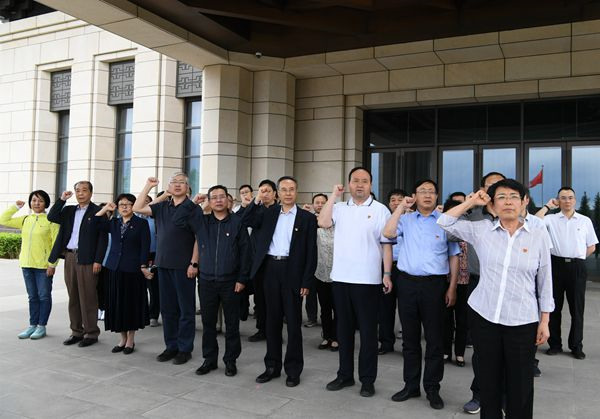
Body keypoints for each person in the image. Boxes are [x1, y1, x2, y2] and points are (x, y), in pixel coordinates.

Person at [438, 179, 554, 419]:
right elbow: (444, 222)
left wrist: (545, 320)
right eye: (501, 197)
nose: (508, 202)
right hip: (485, 316)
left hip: (522, 320)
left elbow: (545, 280)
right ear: (492, 204)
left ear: (524, 202)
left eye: (513, 197)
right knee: (488, 380)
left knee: (520, 383)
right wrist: (472, 201)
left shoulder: (538, 235)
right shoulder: (482, 230)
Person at [383, 179, 460, 410]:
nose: (427, 195)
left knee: (435, 340)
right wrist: (400, 207)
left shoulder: (445, 222)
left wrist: (452, 287)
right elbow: (387, 233)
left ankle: (432, 388)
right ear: (414, 196)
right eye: (422, 191)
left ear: (437, 196)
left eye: (431, 192)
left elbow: (454, 256)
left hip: (435, 286)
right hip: (407, 283)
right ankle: (411, 385)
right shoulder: (405, 220)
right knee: (410, 339)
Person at [318, 167, 394, 398]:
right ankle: (345, 375)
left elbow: (386, 245)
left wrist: (387, 273)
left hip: (368, 281)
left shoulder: (381, 210)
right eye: (355, 181)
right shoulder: (339, 207)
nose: (360, 185)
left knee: (369, 333)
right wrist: (333, 195)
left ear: (371, 184)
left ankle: (367, 380)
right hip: (341, 279)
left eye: (365, 181)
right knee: (343, 331)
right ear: (349, 184)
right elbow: (323, 222)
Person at [243, 176, 317, 387]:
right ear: (277, 193)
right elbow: (245, 220)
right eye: (283, 189)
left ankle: (293, 370)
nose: (288, 193)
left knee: (293, 323)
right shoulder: (268, 213)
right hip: (270, 269)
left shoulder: (306, 218)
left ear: (296, 191)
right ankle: (272, 366)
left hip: (293, 271)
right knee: (271, 321)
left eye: (291, 189)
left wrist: (307, 281)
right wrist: (257, 199)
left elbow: (311, 252)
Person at [173, 185, 251, 377]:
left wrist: (242, 278)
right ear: (209, 201)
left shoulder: (237, 222)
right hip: (207, 281)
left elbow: (245, 252)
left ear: (228, 200)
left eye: (221, 196)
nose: (218, 200)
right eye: (214, 197)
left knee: (231, 325)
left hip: (231, 281)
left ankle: (230, 361)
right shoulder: (202, 221)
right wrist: (193, 203)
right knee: (208, 324)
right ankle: (209, 360)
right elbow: (178, 219)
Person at [132, 173, 198, 365]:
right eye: (174, 182)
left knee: (185, 310)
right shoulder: (161, 207)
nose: (177, 185)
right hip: (163, 264)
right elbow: (137, 208)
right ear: (169, 187)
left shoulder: (193, 209)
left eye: (181, 182)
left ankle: (185, 349)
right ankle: (171, 346)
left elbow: (198, 238)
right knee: (168, 309)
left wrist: (194, 263)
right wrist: (149, 186)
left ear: (187, 187)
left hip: (184, 267)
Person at [459, 171, 505, 414]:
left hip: (510, 286)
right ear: (482, 189)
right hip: (479, 283)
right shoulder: (474, 216)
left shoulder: (518, 215)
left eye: (500, 185)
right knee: (482, 345)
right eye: (490, 186)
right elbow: (448, 231)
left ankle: (506, 396)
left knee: (509, 346)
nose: (495, 189)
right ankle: (479, 395)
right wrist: (469, 204)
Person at [536, 187, 598, 360]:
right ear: (558, 200)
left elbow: (592, 246)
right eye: (563, 198)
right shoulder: (551, 219)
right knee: (553, 307)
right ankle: (555, 344)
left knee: (577, 309)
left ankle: (576, 346)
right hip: (555, 265)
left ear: (575, 200)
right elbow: (534, 221)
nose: (567, 201)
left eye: (570, 197)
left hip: (577, 267)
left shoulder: (584, 220)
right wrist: (547, 206)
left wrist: (576, 258)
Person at [48, 181, 108, 347]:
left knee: (88, 296)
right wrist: (62, 200)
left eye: (84, 190)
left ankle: (91, 333)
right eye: (78, 190)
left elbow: (102, 238)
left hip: (88, 260)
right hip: (70, 257)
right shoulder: (68, 210)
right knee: (73, 296)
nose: (80, 193)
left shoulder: (98, 211)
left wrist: (98, 260)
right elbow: (51, 216)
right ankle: (76, 331)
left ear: (91, 192)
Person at [94, 195, 152, 354]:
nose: (124, 207)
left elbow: (145, 246)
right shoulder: (114, 222)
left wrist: (143, 266)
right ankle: (122, 338)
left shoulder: (141, 223)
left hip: (133, 269)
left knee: (130, 305)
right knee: (116, 304)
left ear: (133, 206)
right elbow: (94, 222)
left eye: (128, 204)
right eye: (121, 204)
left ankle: (130, 340)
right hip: (114, 268)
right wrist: (105, 209)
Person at [0, 191, 59, 340]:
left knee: (44, 296)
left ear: (46, 203)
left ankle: (41, 326)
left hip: (43, 266)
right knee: (32, 297)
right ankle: (32, 325)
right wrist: (15, 207)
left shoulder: (51, 221)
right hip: (27, 264)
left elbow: (56, 244)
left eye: (40, 201)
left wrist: (52, 264)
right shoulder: (26, 219)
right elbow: (3, 219)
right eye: (33, 200)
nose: (36, 203)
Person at [246, 179, 278, 343]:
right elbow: (245, 221)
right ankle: (261, 329)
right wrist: (255, 201)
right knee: (260, 297)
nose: (264, 194)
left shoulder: (280, 210)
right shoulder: (256, 209)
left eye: (267, 191)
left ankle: (274, 331)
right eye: (261, 191)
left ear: (275, 193)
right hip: (258, 261)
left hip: (275, 260)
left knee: (274, 298)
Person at [378, 188, 407, 355]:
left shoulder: (411, 220)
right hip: (387, 268)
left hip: (405, 270)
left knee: (406, 309)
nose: (396, 203)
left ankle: (408, 345)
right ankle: (386, 343)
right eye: (393, 200)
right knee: (385, 307)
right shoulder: (384, 220)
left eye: (400, 199)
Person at [441, 196, 469, 368]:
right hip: (445, 280)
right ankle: (445, 351)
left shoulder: (469, 230)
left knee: (462, 320)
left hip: (465, 281)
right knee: (446, 319)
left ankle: (459, 353)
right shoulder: (442, 231)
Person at [312, 193, 338, 351]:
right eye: (318, 202)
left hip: (338, 275)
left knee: (338, 309)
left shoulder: (340, 226)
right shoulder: (313, 226)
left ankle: (336, 338)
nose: (321, 205)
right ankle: (327, 336)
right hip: (320, 273)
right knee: (325, 308)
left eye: (324, 203)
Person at [138, 195, 160, 327]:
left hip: (153, 256)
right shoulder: (134, 219)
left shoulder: (156, 219)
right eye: (142, 202)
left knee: (153, 288)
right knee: (139, 287)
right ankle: (142, 314)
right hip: (138, 256)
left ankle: (153, 315)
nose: (144, 204)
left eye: (147, 202)